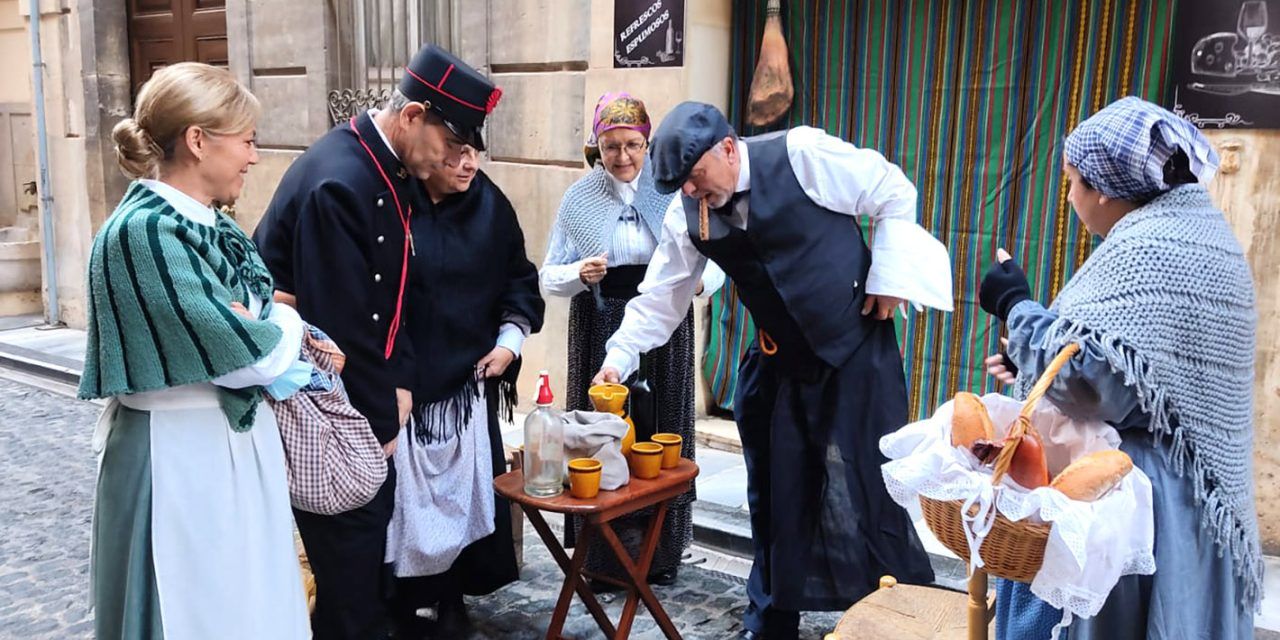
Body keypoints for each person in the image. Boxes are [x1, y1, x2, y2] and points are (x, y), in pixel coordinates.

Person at [593, 101, 954, 640]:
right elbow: (662, 298)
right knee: (777, 498)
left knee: (874, 491)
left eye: (696, 177)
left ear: (730, 147)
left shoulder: (802, 154)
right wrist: (617, 359)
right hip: (780, 366)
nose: (692, 192)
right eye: (682, 186)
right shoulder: (684, 213)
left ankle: (908, 623)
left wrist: (889, 275)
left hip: (856, 355)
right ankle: (770, 625)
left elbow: (892, 188)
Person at [980, 96, 1262, 640]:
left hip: (1142, 504)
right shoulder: (1202, 232)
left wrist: (1016, 305)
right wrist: (1029, 359)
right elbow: (1150, 371)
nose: (1069, 197)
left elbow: (1095, 385)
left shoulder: (1148, 248)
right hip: (1193, 498)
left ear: (1104, 188)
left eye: (1072, 183)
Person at [252, 44, 501, 639]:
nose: (455, 158)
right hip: (329, 412)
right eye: (450, 143)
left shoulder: (381, 166)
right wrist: (380, 423)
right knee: (350, 580)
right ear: (413, 116)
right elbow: (338, 329)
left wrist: (404, 381)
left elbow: (396, 298)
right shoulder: (341, 180)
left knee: (364, 571)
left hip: (367, 401)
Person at [80, 62, 309, 639]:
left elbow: (252, 322)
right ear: (199, 140)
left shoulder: (211, 225)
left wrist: (263, 321)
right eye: (248, 141)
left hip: (224, 452)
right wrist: (283, 319)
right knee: (194, 612)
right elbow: (250, 357)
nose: (254, 157)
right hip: (178, 459)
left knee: (246, 608)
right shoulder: (144, 233)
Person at [541, 92, 724, 588]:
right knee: (604, 440)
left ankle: (661, 556)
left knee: (662, 433)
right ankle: (601, 559)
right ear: (595, 147)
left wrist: (698, 287)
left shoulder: (673, 192)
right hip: (599, 325)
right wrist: (579, 272)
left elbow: (714, 264)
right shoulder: (578, 199)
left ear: (647, 144)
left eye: (633, 145)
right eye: (611, 146)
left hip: (665, 325)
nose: (622, 156)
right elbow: (546, 278)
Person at [386, 144, 544, 638]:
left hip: (466, 388)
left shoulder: (490, 206)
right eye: (454, 153)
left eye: (474, 151)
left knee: (461, 501)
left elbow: (519, 278)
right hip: (401, 389)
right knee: (401, 509)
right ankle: (401, 602)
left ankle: (452, 596)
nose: (468, 164)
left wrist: (509, 343)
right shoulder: (392, 203)